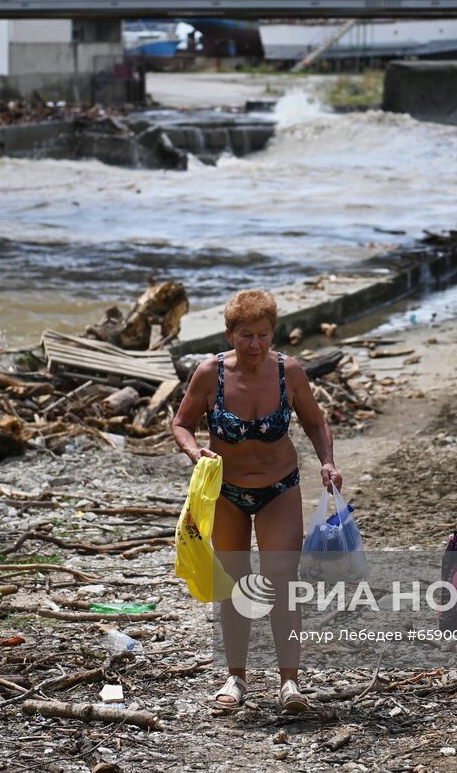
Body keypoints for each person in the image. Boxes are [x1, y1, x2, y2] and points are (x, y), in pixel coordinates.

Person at [172, 289, 341, 713]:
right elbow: (181, 423)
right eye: (245, 335)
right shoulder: (210, 372)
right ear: (230, 334)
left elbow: (316, 423)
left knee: (282, 581)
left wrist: (327, 462)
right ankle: (236, 677)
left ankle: (290, 684)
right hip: (225, 491)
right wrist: (195, 452)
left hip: (278, 487)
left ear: (273, 334)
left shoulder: (290, 371)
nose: (255, 345)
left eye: (263, 335)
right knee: (235, 583)